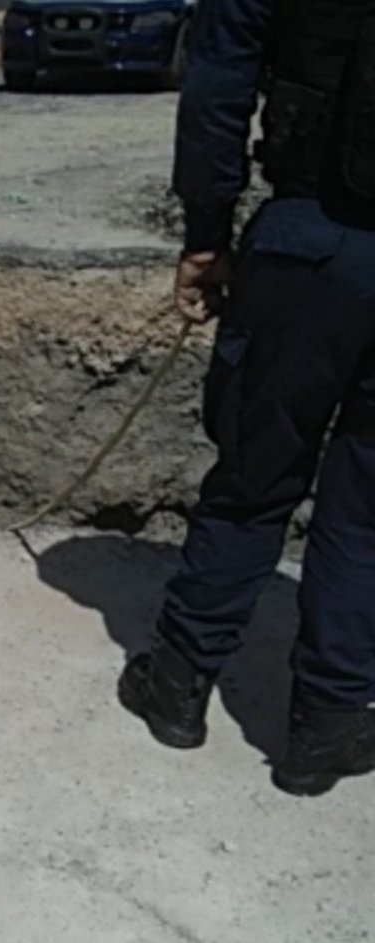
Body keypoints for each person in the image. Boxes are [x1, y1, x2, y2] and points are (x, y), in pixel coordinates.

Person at [117, 0, 375, 797]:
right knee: (368, 507)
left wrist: (205, 234)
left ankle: (180, 681)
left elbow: (217, 87)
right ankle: (327, 724)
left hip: (310, 243)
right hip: (320, 242)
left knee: (255, 479)